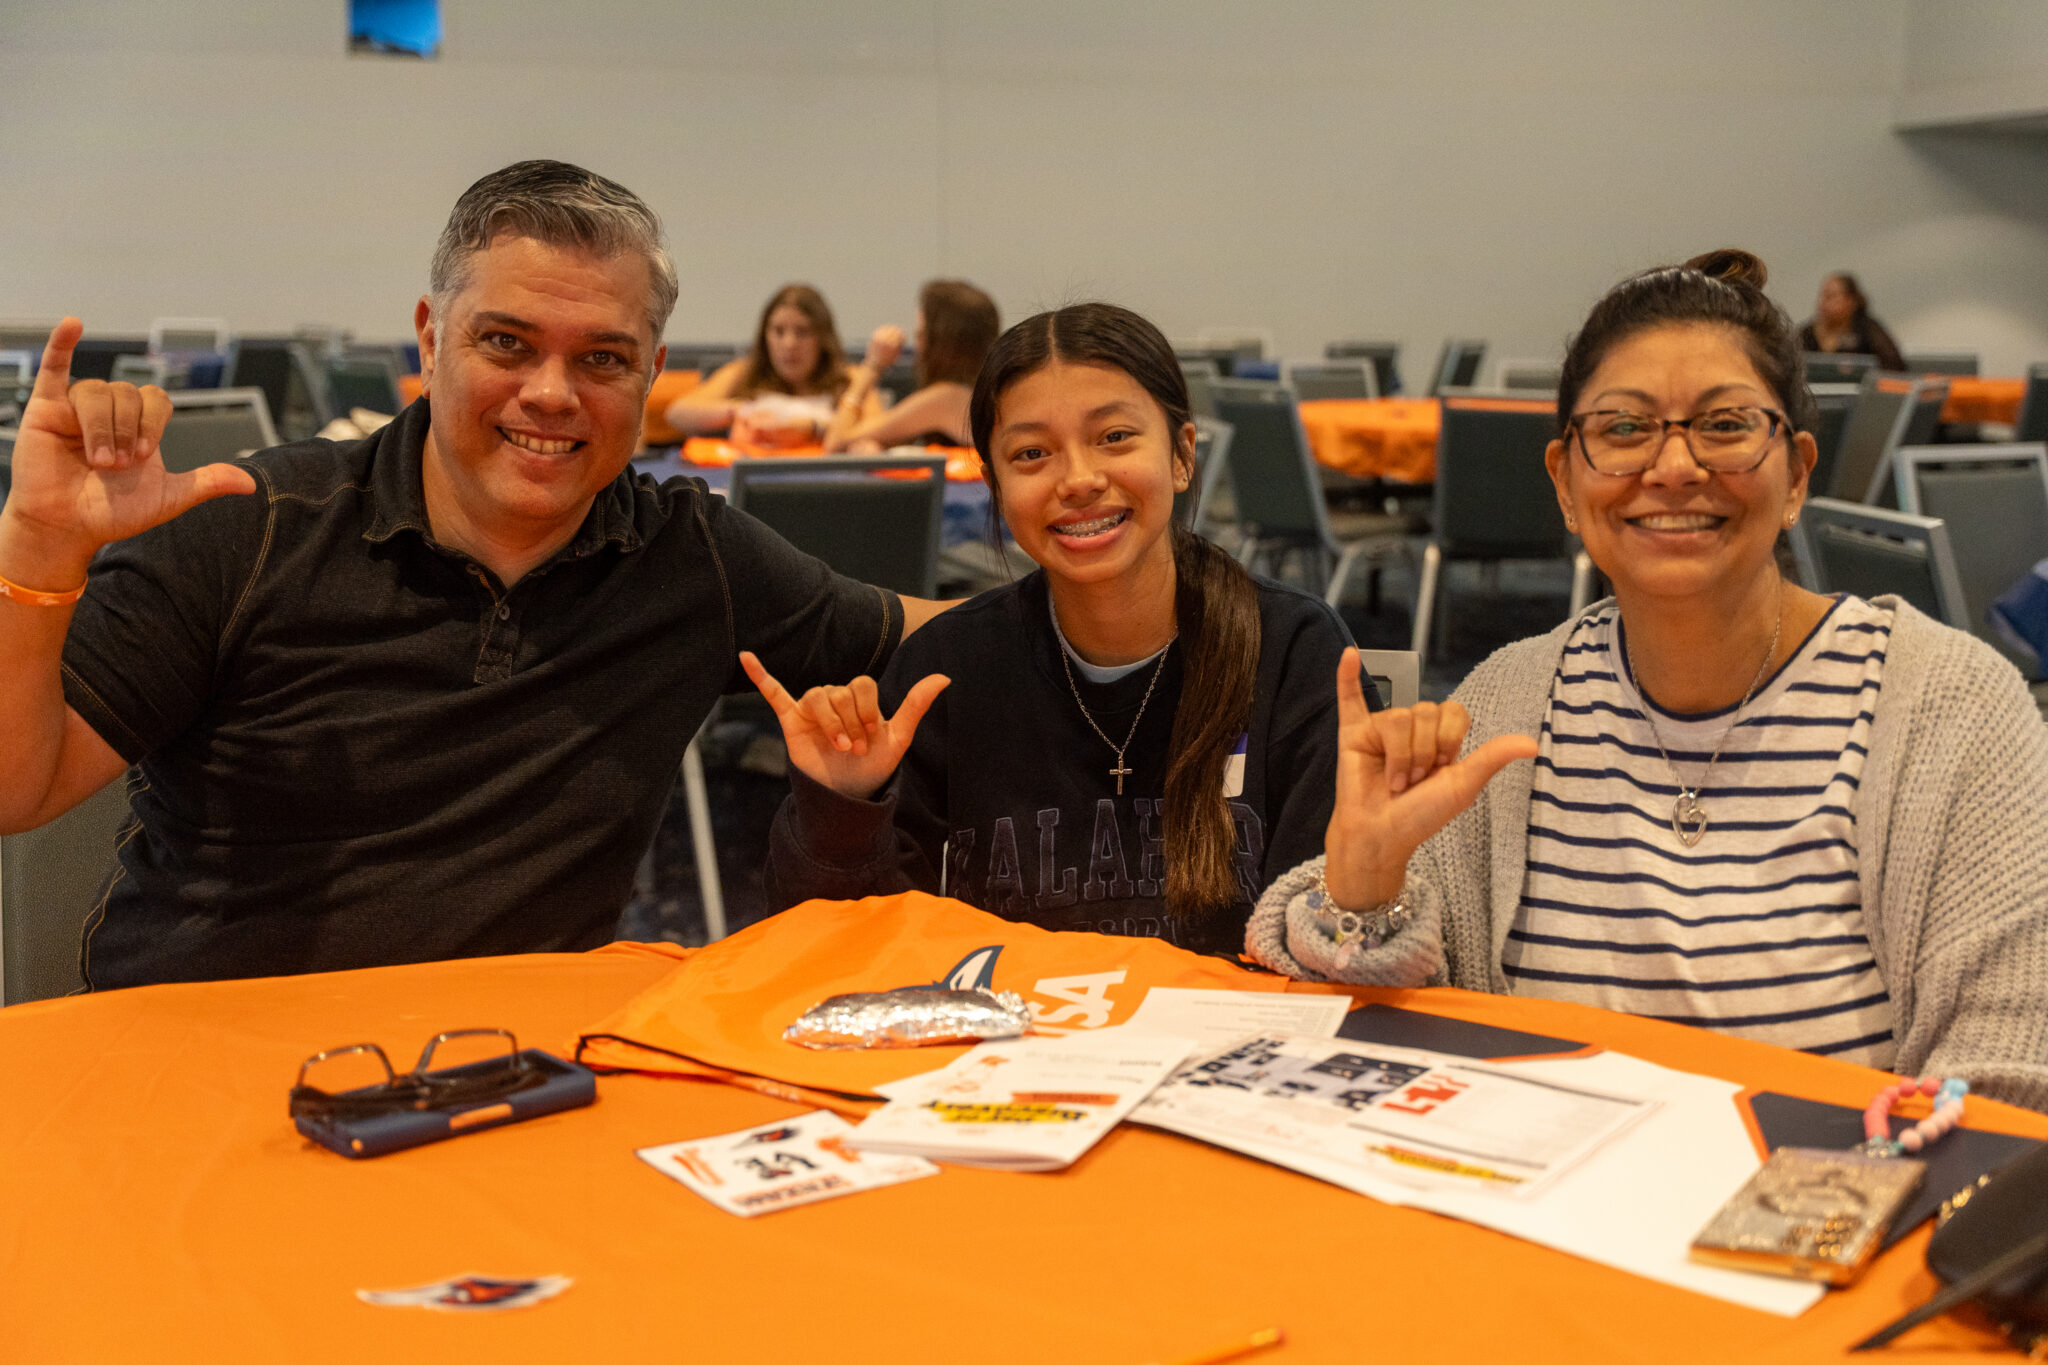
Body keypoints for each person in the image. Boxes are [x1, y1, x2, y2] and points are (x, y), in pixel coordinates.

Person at [0, 159, 949, 991]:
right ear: (429, 335)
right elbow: (17, 789)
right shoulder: (249, 532)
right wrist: (39, 550)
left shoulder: (689, 558)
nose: (550, 392)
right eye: (507, 342)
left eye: (603, 359)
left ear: (653, 373)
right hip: (197, 1079)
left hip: (498, 1084)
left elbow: (944, 633)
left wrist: (1086, 543)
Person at [1249, 250, 2048, 1111]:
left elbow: (2003, 1097)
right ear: (1565, 480)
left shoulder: (1949, 708)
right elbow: (1378, 1013)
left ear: (1798, 473)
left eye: (1726, 424)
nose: (1673, 467)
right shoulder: (1511, 701)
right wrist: (1363, 886)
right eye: (1624, 429)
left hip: (1836, 1226)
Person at [747, 302, 1364, 956]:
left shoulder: (1292, 653)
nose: (1079, 480)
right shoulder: (947, 673)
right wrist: (841, 810)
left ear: (1182, 456)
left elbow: (1343, 947)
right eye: (1032, 453)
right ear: (995, 485)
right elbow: (846, 956)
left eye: (1115, 437)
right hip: (1004, 1049)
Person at [663, 283, 878, 446]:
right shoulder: (742, 372)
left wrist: (811, 426)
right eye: (778, 331)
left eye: (802, 332)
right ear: (765, 336)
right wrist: (743, 411)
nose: (789, 344)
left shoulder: (852, 379)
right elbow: (677, 413)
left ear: (822, 338)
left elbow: (881, 429)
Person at [821, 280, 998, 454]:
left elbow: (836, 441)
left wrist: (872, 366)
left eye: (921, 335)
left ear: (941, 344)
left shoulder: (946, 397)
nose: (918, 347)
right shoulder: (980, 392)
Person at [1797, 271, 1905, 372]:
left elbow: (1893, 366)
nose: (1823, 303)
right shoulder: (1807, 334)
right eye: (1823, 297)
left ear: (1850, 301)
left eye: (1831, 297)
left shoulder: (1867, 329)